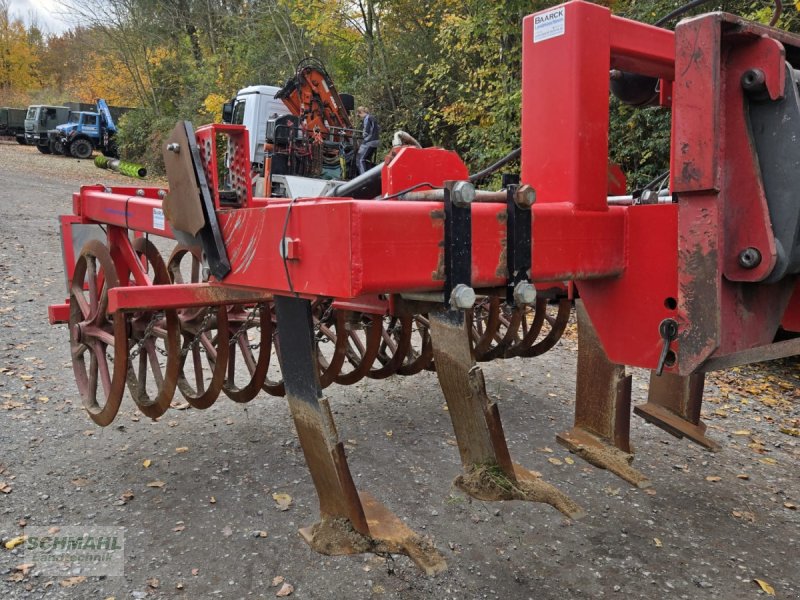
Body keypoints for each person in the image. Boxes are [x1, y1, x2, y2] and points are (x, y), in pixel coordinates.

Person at [356, 106, 380, 175]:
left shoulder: (367, 118)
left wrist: (362, 139)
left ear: (361, 113)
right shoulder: (372, 117)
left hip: (369, 141)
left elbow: (366, 132)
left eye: (359, 115)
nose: (360, 117)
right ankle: (369, 176)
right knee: (367, 160)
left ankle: (362, 178)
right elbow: (378, 128)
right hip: (376, 141)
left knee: (360, 160)